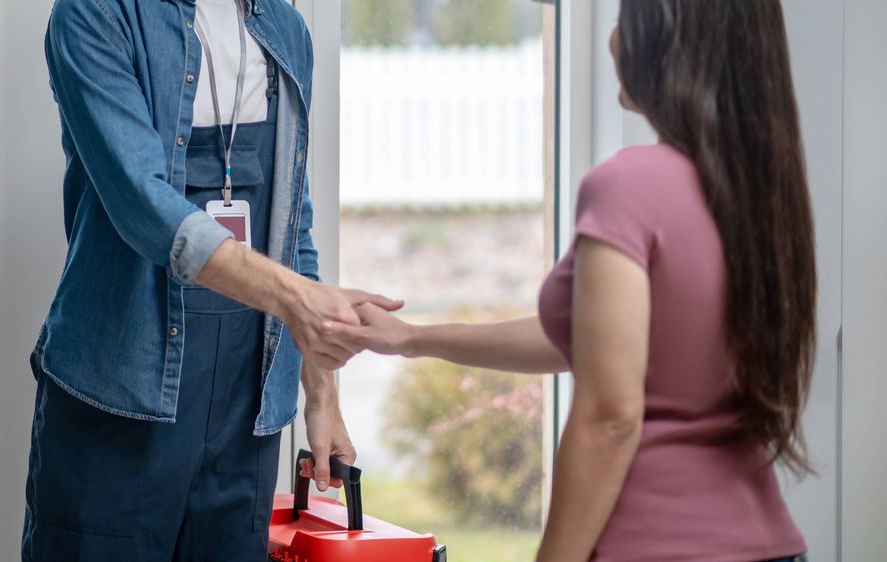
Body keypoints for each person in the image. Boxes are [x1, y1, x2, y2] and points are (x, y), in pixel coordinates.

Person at [324, 1, 815, 560]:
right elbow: (590, 341)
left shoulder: (630, 184)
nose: (612, 42)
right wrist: (412, 338)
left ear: (664, 42)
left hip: (655, 545)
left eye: (625, 22)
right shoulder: (762, 194)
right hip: (771, 542)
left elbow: (610, 416)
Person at [24, 0, 401, 559]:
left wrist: (320, 389)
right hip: (117, 396)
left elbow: (291, 220)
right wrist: (298, 298)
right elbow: (142, 205)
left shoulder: (285, 29)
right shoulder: (96, 12)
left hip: (244, 411)